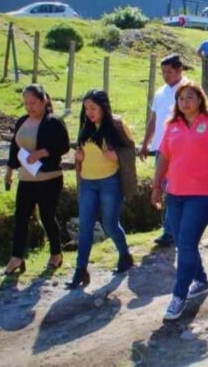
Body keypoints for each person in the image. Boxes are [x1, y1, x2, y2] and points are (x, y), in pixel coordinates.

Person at [151, 82, 208, 320]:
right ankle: (201, 281)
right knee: (185, 241)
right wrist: (155, 186)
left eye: (190, 97)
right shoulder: (172, 125)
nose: (185, 102)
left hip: (203, 195)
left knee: (186, 241)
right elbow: (163, 157)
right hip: (175, 193)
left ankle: (179, 295)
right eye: (181, 98)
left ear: (200, 99)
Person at [67, 89, 136, 289]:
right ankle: (80, 271)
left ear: (103, 107)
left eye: (93, 108)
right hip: (88, 183)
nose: (89, 112)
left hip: (110, 183)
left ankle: (124, 255)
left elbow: (129, 152)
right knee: (85, 228)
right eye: (86, 108)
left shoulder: (116, 125)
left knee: (110, 224)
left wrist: (116, 157)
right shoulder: (85, 126)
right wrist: (77, 159)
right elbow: (82, 153)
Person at [4, 84, 70, 276]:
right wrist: (9, 170)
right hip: (26, 178)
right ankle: (16, 257)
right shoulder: (22, 121)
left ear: (44, 101)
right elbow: (14, 148)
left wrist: (42, 152)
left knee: (47, 216)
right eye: (26, 103)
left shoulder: (53, 122)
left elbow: (63, 146)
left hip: (49, 178)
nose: (29, 107)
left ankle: (56, 253)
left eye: (33, 103)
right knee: (21, 217)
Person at [140, 53, 187, 247]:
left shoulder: (188, 91)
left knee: (175, 189)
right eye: (163, 72)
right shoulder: (160, 92)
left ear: (179, 70)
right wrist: (145, 143)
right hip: (161, 148)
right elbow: (153, 119)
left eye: (169, 71)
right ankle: (171, 229)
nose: (166, 75)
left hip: (181, 148)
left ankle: (171, 230)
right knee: (164, 188)